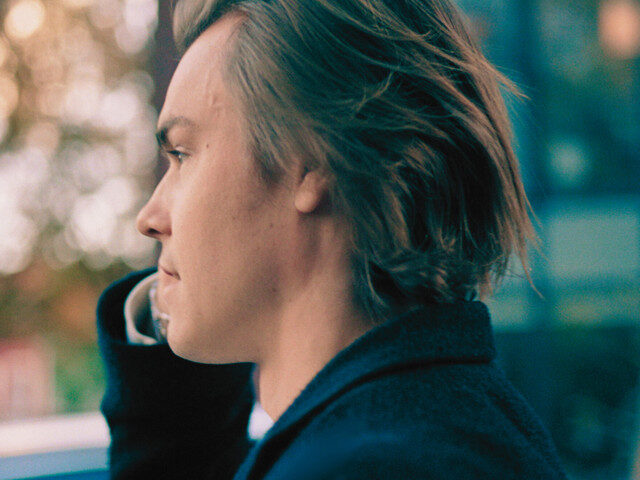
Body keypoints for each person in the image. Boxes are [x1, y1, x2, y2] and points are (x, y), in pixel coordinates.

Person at [96, 0, 568, 478]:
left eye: (182, 153)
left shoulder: (360, 464)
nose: (149, 218)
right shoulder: (453, 423)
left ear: (312, 160)